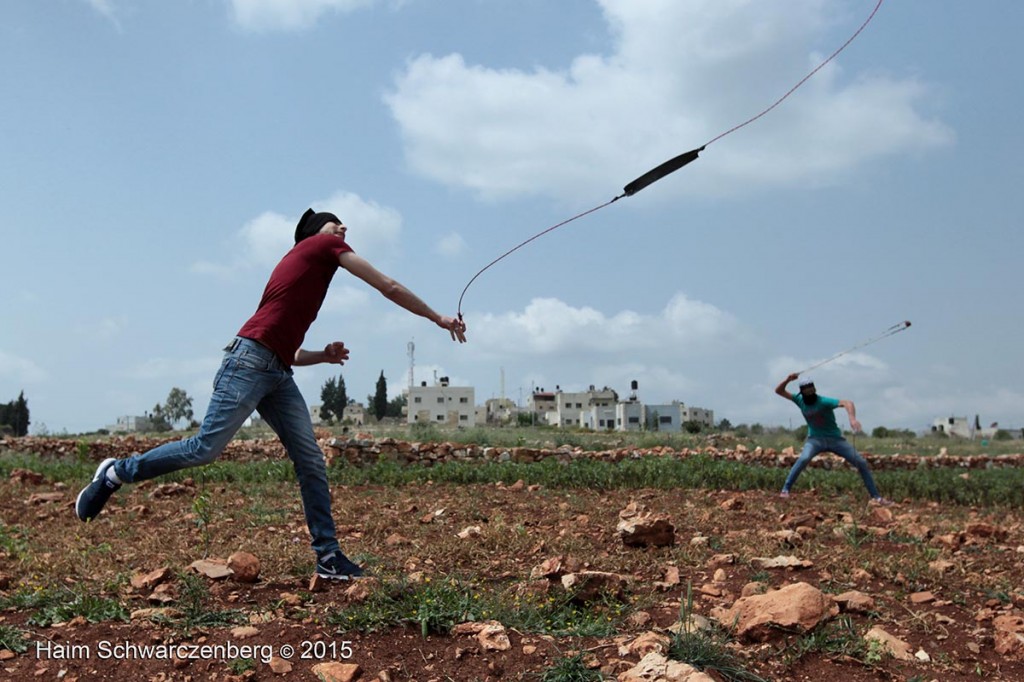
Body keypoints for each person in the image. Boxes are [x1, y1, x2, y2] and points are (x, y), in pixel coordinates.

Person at [76, 208, 468, 579]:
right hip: (248, 363)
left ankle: (328, 557)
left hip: (274, 371)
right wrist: (437, 317)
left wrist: (323, 357)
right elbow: (389, 286)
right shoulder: (319, 247)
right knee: (204, 449)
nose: (344, 230)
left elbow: (288, 352)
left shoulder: (306, 273)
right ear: (316, 235)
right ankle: (116, 471)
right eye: (336, 226)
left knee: (310, 459)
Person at [774, 373, 892, 505]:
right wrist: (788, 380)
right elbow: (779, 391)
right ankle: (785, 490)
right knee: (803, 459)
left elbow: (848, 403)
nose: (809, 392)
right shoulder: (799, 400)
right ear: (801, 392)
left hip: (835, 440)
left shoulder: (823, 401)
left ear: (814, 389)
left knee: (861, 463)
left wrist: (852, 419)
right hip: (815, 440)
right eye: (805, 390)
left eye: (810, 389)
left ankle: (876, 497)